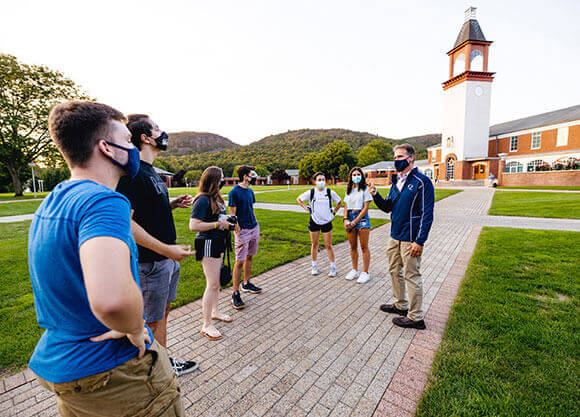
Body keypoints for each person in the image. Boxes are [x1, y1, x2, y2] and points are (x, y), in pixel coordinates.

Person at [28, 101, 183, 416]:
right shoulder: (105, 201)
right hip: (115, 372)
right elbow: (112, 300)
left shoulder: (53, 201)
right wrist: (135, 328)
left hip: (66, 370)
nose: (133, 147)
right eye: (127, 140)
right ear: (107, 148)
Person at [117, 114, 197, 377]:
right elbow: (126, 223)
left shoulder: (150, 170)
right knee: (152, 319)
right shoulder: (133, 172)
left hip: (165, 261)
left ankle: (162, 361)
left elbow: (144, 211)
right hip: (151, 263)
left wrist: (171, 204)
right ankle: (157, 373)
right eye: (157, 128)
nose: (162, 132)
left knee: (161, 313)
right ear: (145, 137)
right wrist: (166, 250)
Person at [369, 143, 434, 330]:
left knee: (411, 275)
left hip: (410, 238)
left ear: (411, 158)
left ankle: (416, 317)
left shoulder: (422, 182)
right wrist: (375, 195)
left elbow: (427, 214)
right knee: (394, 271)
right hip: (394, 236)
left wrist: (419, 241)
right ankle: (400, 305)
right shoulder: (396, 181)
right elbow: (388, 207)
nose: (396, 160)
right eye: (395, 157)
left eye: (399, 157)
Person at [189, 167, 233, 340]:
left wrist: (227, 221)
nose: (223, 181)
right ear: (214, 181)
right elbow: (193, 225)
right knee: (212, 284)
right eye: (221, 178)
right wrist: (217, 224)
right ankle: (206, 324)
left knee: (216, 283)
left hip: (218, 242)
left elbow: (217, 218)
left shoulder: (216, 199)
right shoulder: (202, 200)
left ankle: (215, 311)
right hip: (207, 243)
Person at [228, 165, 262, 309]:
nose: (253, 176)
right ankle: (235, 293)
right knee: (239, 262)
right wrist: (238, 230)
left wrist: (256, 225)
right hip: (243, 232)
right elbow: (232, 214)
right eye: (251, 174)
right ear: (245, 176)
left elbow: (251, 209)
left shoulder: (250, 191)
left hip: (254, 228)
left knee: (250, 257)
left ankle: (246, 283)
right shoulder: (234, 192)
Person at [296, 172, 343, 276]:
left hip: (327, 221)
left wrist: (334, 213)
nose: (321, 181)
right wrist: (306, 208)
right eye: (319, 180)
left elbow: (340, 202)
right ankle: (314, 266)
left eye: (323, 179)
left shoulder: (330, 192)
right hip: (314, 221)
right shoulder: (311, 192)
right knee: (314, 245)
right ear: (315, 181)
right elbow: (299, 199)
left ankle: (333, 268)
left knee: (328, 245)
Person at [343, 167, 373, 284]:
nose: (356, 176)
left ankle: (365, 272)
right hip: (350, 217)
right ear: (351, 177)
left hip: (361, 219)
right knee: (353, 247)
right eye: (354, 174)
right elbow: (346, 206)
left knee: (364, 247)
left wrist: (355, 221)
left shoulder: (365, 189)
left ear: (361, 176)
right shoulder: (349, 190)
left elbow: (365, 207)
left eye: (358, 174)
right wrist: (345, 219)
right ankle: (354, 270)